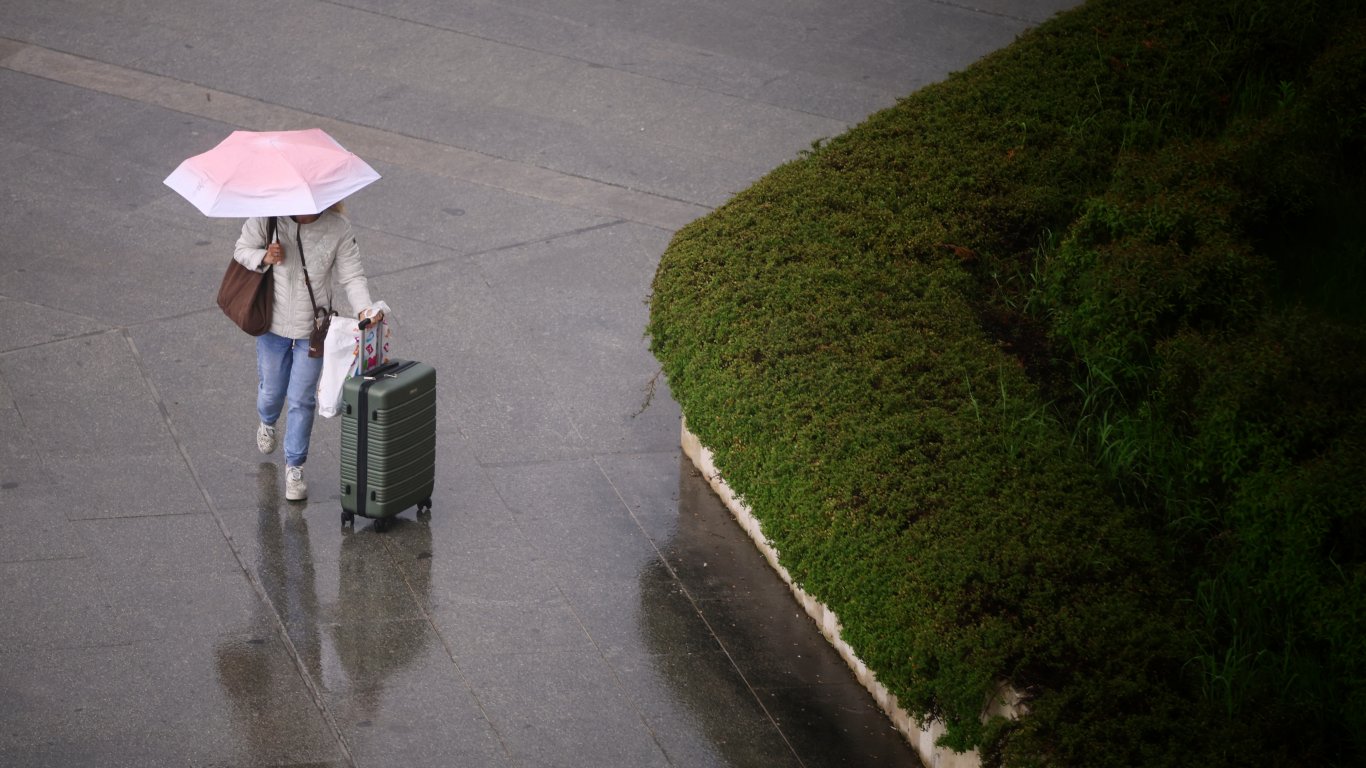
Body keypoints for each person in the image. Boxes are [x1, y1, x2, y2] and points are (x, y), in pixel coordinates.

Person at [233, 202, 382, 501]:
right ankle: (267, 420)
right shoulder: (269, 216)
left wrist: (365, 307)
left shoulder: (338, 228)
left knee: (302, 399)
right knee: (272, 392)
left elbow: (352, 276)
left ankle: (295, 466)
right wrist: (264, 256)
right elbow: (241, 250)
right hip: (271, 325)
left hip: (312, 330)